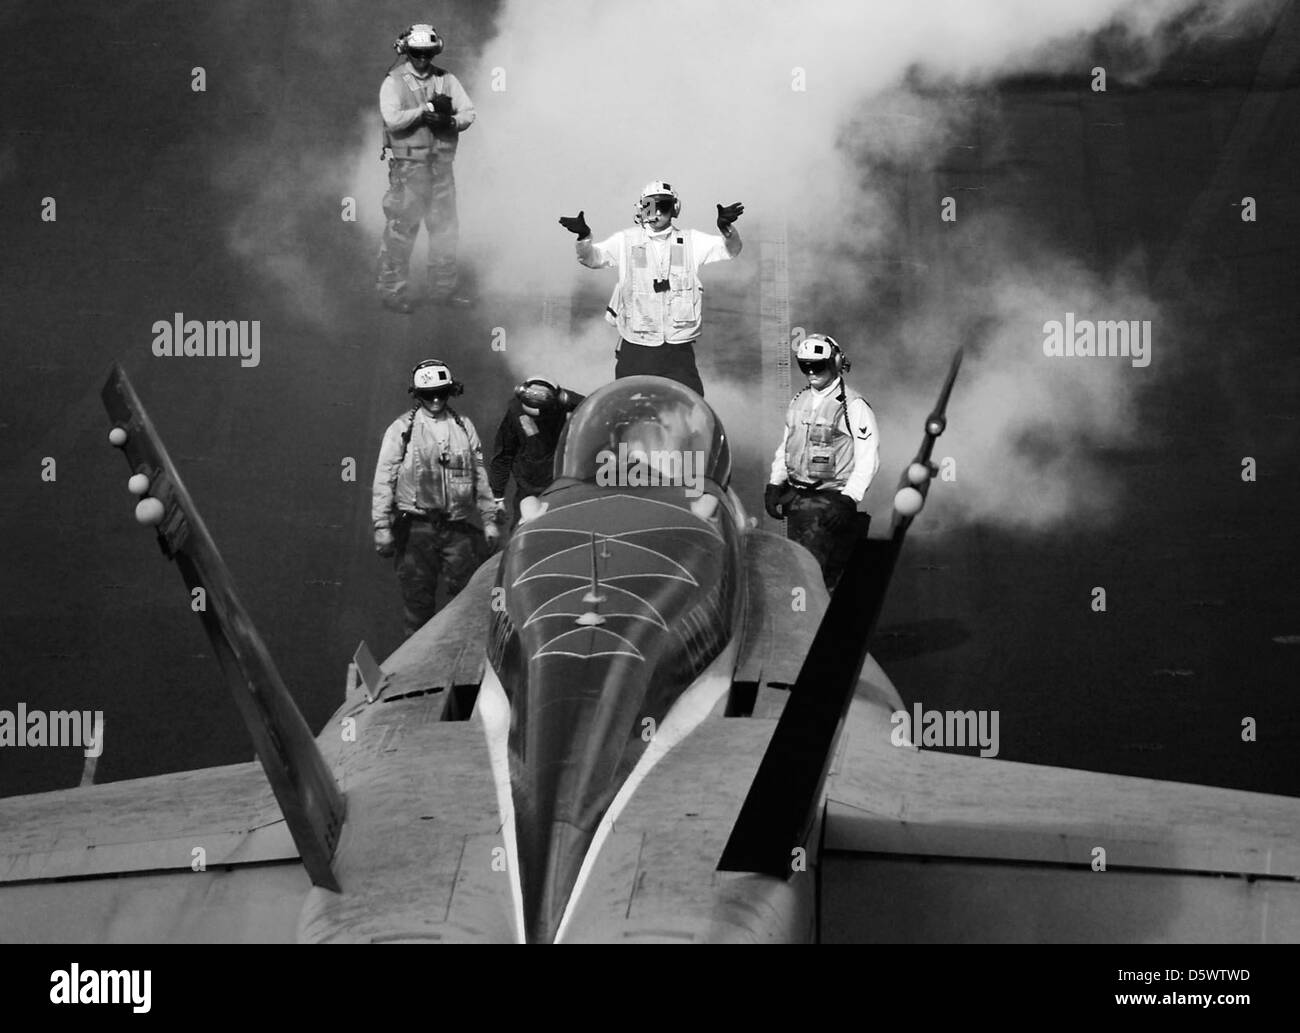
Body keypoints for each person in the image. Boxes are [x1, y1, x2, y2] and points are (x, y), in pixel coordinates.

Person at [558, 182, 744, 397]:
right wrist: (584, 237)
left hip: (677, 347)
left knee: (687, 404)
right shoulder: (626, 240)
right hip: (637, 345)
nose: (656, 213)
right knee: (630, 405)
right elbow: (592, 258)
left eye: (663, 206)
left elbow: (730, 250)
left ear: (674, 209)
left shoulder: (691, 241)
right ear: (640, 209)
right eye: (649, 206)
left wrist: (726, 229)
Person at [372, 359, 498, 637]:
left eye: (442, 392)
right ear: (418, 395)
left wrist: (489, 520)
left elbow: (479, 474)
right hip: (416, 529)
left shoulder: (464, 427)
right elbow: (385, 476)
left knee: (466, 601)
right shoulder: (401, 430)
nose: (437, 399)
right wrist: (381, 526)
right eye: (430, 394)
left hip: (458, 529)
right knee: (418, 605)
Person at [765, 334, 880, 591]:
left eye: (818, 365)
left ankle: (822, 627)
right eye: (804, 365)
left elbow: (868, 457)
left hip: (830, 503)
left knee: (818, 579)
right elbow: (788, 444)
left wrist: (849, 499)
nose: (811, 372)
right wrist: (775, 483)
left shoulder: (853, 407)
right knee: (802, 571)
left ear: (836, 363)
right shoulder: (800, 400)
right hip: (798, 501)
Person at [375, 23, 476, 314]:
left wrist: (451, 122)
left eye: (427, 54)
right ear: (407, 51)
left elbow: (468, 112)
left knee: (445, 230)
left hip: (441, 169)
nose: (422, 60)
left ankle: (442, 291)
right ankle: (392, 293)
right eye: (416, 53)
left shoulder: (447, 80)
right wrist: (426, 111)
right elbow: (392, 119)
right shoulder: (393, 82)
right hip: (408, 170)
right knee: (401, 232)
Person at [488, 377, 585, 533]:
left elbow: (596, 415)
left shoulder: (573, 403)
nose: (536, 416)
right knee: (522, 531)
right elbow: (503, 454)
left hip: (564, 484)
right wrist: (497, 496)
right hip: (529, 487)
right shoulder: (515, 411)